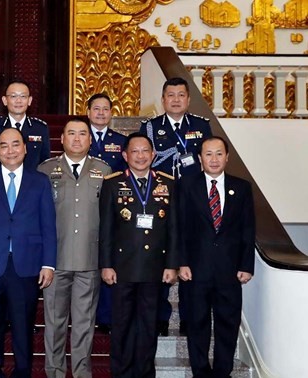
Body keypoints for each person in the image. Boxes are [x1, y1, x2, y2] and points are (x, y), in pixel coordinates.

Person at [0, 127, 57, 378]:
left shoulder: (39, 181)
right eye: (4, 145)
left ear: (25, 148)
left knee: (23, 326)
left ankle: (22, 372)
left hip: (26, 264)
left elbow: (48, 225)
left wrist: (48, 264)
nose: (10, 150)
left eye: (15, 144)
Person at [99, 132, 179, 378]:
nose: (141, 156)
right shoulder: (112, 183)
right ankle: (121, 373)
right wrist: (106, 265)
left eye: (145, 150)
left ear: (153, 155)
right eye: (135, 151)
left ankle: (145, 373)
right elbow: (106, 229)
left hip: (155, 268)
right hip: (122, 268)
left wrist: (172, 264)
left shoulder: (168, 183)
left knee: (148, 325)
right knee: (121, 326)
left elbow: (174, 228)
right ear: (125, 155)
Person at [38, 119, 111, 378]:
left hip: (89, 260)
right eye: (71, 133)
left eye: (83, 134)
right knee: (55, 323)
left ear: (90, 140)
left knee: (83, 325)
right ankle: (55, 372)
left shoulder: (104, 170)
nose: (77, 139)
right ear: (62, 139)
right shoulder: (45, 170)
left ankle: (82, 373)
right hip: (54, 261)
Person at [139, 76, 212, 336]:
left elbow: (208, 161)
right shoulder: (150, 127)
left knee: (192, 260)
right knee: (160, 258)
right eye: (171, 95)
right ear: (163, 99)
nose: (176, 99)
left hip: (194, 202)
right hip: (162, 200)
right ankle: (160, 316)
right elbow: (146, 160)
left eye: (181, 95)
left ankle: (189, 318)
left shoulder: (202, 126)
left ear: (188, 99)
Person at [178, 136, 255, 378]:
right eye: (208, 154)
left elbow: (247, 229)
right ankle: (200, 372)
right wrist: (180, 262)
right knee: (196, 323)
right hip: (195, 269)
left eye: (219, 154)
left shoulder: (242, 188)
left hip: (229, 271)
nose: (214, 159)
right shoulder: (186, 185)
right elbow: (178, 227)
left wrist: (246, 264)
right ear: (200, 158)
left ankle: (223, 372)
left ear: (227, 157)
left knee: (228, 325)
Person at [86, 93, 127, 334]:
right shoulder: (79, 137)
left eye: (105, 109)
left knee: (108, 263)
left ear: (111, 113)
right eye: (96, 109)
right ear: (88, 111)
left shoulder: (121, 141)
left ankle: (106, 317)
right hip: (85, 210)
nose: (101, 113)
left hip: (111, 211)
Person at [0, 80, 50, 170]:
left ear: (29, 100)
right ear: (5, 100)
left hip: (31, 180)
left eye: (23, 96)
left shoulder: (40, 128)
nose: (18, 101)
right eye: (13, 96)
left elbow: (45, 162)